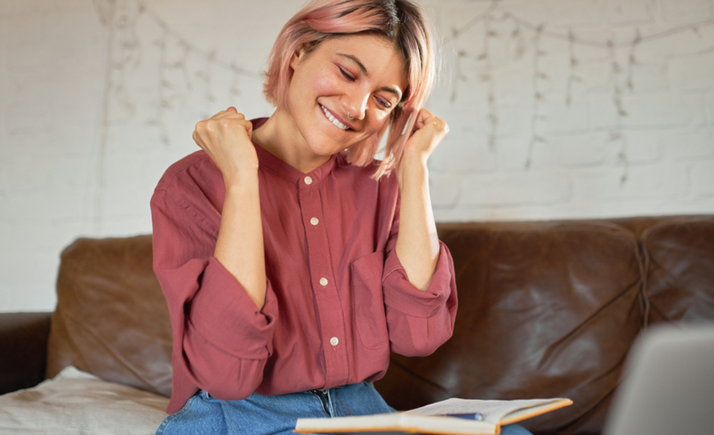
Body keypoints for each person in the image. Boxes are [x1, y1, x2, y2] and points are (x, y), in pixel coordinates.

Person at [150, 0, 531, 434]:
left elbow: (418, 336)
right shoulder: (191, 186)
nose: (356, 107)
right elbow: (227, 375)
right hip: (238, 415)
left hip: (358, 408)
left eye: (383, 100)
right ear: (297, 54)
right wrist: (241, 179)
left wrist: (414, 168)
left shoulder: (380, 187)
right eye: (348, 73)